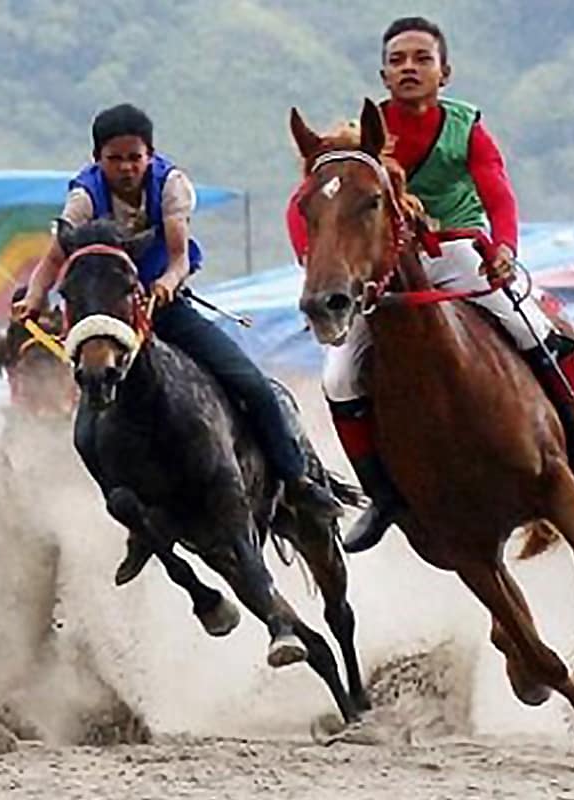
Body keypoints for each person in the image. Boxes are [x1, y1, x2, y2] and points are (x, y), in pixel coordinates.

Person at [287, 17, 574, 554]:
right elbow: (309, 207)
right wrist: (320, 262)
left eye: (421, 59)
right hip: (385, 267)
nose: (409, 68)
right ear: (383, 74)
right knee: (340, 375)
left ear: (444, 71)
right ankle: (383, 494)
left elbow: (499, 195)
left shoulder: (466, 126)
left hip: (459, 254)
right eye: (397, 61)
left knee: (535, 326)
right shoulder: (356, 141)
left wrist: (504, 250)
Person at [17, 103, 339, 585]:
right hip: (112, 325)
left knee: (250, 384)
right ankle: (139, 528)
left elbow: (177, 255)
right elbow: (55, 257)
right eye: (115, 158)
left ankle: (297, 480)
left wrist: (167, 284)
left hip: (165, 310)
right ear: (97, 159)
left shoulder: (171, 187)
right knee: (87, 434)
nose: (126, 168)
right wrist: (35, 298)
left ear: (150, 154)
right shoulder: (82, 199)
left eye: (135, 157)